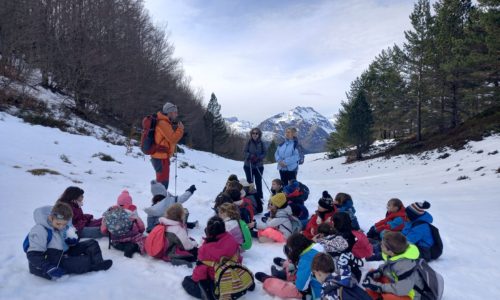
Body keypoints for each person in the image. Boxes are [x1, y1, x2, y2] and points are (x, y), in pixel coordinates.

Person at [26, 203, 112, 280]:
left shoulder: (61, 225)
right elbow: (32, 255)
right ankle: (91, 265)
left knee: (92, 243)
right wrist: (48, 267)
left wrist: (70, 241)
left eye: (64, 224)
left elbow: (63, 239)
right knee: (84, 262)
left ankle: (98, 263)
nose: (61, 227)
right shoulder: (40, 230)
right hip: (50, 263)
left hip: (62, 252)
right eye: (58, 224)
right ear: (50, 218)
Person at [182, 216, 242, 299]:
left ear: (208, 231)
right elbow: (239, 258)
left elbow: (200, 273)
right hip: (232, 274)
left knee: (186, 281)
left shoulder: (205, 249)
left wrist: (194, 279)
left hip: (217, 281)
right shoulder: (232, 240)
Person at [255, 233, 324, 299]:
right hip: (318, 277)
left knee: (284, 290)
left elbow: (301, 287)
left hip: (315, 290)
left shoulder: (306, 261)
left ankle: (268, 280)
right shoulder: (316, 246)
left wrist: (297, 276)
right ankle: (287, 269)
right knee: (298, 267)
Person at [362, 232, 421, 300]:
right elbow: (388, 268)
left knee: (387, 298)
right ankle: (372, 296)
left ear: (391, 251)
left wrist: (377, 286)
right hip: (397, 283)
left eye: (382, 245)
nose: (380, 245)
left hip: (410, 294)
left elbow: (401, 290)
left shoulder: (404, 266)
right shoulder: (395, 255)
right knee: (372, 273)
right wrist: (378, 272)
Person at [101, 190, 146, 258]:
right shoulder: (132, 212)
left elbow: (103, 230)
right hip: (132, 237)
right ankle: (134, 247)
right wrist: (140, 231)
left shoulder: (110, 212)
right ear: (130, 203)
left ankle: (124, 247)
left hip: (116, 240)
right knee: (144, 240)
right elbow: (141, 227)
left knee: (116, 243)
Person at [150, 101, 184, 190]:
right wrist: (180, 129)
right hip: (160, 158)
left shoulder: (164, 122)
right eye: (175, 112)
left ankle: (160, 200)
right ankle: (160, 202)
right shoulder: (163, 123)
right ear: (170, 112)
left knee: (162, 183)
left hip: (161, 157)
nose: (176, 114)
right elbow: (173, 139)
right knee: (162, 184)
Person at [243, 128, 266, 207]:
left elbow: (264, 153)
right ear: (251, 134)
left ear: (259, 134)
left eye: (256, 133)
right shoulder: (248, 142)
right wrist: (250, 156)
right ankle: (250, 197)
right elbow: (245, 151)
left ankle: (260, 196)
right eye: (253, 133)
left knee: (258, 181)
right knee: (250, 181)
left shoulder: (262, 143)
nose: (255, 135)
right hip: (248, 165)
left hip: (258, 166)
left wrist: (259, 158)